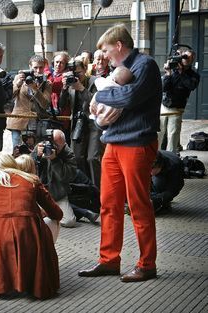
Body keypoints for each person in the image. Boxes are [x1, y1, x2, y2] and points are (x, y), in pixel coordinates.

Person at [79, 24, 162, 282]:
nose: (104, 56)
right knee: (108, 205)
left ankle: (147, 264)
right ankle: (109, 260)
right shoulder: (119, 70)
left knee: (138, 205)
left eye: (105, 50)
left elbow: (129, 96)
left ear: (118, 46)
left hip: (137, 143)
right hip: (114, 143)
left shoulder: (145, 65)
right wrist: (109, 92)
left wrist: (103, 94)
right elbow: (120, 95)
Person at [0, 152, 62, 299]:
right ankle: (32, 281)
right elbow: (56, 212)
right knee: (44, 226)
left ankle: (1, 283)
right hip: (27, 230)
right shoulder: (31, 180)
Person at [59, 57, 101, 187]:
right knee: (77, 158)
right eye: (74, 74)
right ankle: (85, 187)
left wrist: (82, 88)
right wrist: (65, 88)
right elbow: (61, 104)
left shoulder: (95, 82)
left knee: (92, 158)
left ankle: (97, 190)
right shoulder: (70, 84)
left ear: (85, 69)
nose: (77, 76)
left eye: (79, 72)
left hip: (93, 124)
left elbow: (97, 103)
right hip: (77, 124)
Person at [34, 129, 80, 227]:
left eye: (59, 146)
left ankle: (46, 213)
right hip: (39, 192)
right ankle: (49, 213)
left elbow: (67, 177)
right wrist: (37, 156)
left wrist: (55, 160)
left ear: (64, 143)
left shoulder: (68, 153)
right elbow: (28, 168)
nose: (56, 149)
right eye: (55, 145)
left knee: (69, 221)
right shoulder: (41, 147)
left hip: (57, 194)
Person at [159, 47, 200, 153]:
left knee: (173, 136)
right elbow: (164, 88)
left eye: (188, 57)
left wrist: (182, 73)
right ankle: (156, 158)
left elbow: (191, 85)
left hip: (177, 109)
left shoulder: (194, 75)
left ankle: (170, 159)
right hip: (164, 106)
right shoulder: (173, 71)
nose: (185, 59)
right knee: (159, 134)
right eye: (184, 56)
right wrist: (168, 73)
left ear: (192, 59)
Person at [6, 55, 51, 148]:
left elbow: (45, 105)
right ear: (30, 67)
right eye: (35, 68)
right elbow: (9, 98)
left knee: (35, 153)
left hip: (37, 123)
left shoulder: (46, 83)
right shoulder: (20, 79)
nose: (38, 71)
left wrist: (35, 89)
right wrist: (17, 84)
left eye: (41, 67)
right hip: (18, 123)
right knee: (17, 152)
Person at [15, 154, 60, 243]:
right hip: (26, 229)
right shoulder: (34, 183)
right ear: (33, 168)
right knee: (54, 220)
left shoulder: (4, 182)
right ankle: (47, 251)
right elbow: (57, 213)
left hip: (3, 228)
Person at [150, 150, 185, 214]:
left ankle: (164, 205)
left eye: (151, 170)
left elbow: (174, 189)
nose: (149, 172)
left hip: (173, 178)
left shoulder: (175, 166)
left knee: (158, 183)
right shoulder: (146, 161)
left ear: (159, 166)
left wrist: (160, 199)